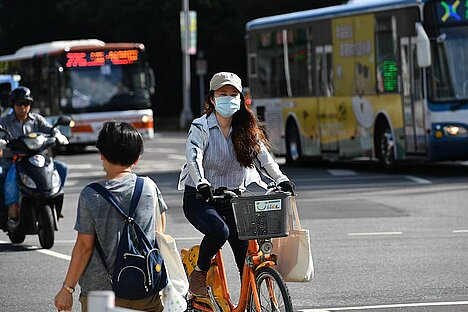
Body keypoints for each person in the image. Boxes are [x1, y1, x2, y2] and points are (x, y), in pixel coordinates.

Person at [177, 72, 295, 297]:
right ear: (212, 98)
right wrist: (201, 182)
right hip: (200, 198)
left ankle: (250, 301)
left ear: (240, 99)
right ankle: (199, 273)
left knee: (246, 257)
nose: (229, 99)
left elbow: (264, 158)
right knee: (219, 231)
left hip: (234, 199)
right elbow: (194, 157)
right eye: (223, 94)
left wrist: (281, 179)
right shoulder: (200, 126)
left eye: (234, 94)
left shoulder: (246, 128)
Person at [54, 121, 168, 312]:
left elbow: (84, 247)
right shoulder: (149, 187)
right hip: (146, 288)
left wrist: (67, 289)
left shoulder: (91, 194)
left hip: (101, 296)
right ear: (136, 159)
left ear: (102, 155)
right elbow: (159, 233)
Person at [0, 86, 69, 229]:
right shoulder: (4, 121)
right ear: (13, 105)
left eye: (26, 104)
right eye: (19, 104)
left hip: (37, 159)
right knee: (9, 178)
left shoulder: (37, 120)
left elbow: (51, 129)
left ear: (30, 105)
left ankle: (55, 203)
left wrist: (58, 135)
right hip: (13, 161)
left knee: (62, 168)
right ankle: (12, 212)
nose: (23, 107)